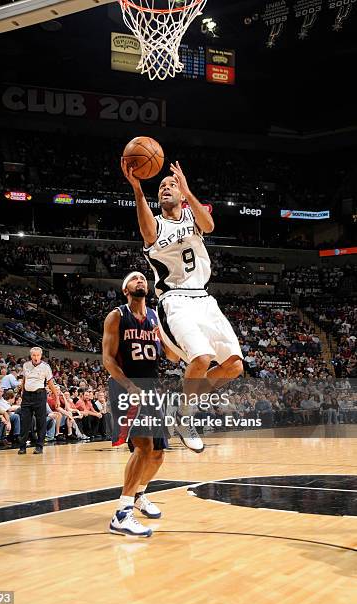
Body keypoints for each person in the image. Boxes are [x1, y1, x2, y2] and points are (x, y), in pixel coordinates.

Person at [121, 159, 243, 453]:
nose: (165, 188)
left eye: (170, 185)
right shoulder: (156, 224)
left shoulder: (192, 219)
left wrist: (187, 190)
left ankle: (181, 405)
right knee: (201, 359)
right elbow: (147, 231)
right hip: (174, 299)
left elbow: (210, 225)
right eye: (161, 186)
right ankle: (185, 417)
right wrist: (138, 189)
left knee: (234, 367)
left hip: (204, 298)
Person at [103, 271, 177, 537]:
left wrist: (166, 337)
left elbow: (172, 357)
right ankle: (121, 514)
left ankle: (138, 494)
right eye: (134, 279)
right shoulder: (117, 316)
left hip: (151, 389)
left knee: (157, 454)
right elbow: (108, 359)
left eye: (143, 278)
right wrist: (128, 386)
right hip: (126, 388)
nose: (140, 280)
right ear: (126, 290)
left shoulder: (155, 317)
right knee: (143, 446)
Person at [18, 347, 60, 455]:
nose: (36, 357)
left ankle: (39, 446)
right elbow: (24, 380)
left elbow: (50, 383)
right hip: (27, 396)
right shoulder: (26, 365)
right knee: (25, 422)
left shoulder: (46, 367)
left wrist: (57, 397)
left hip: (39, 395)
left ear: (41, 356)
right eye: (33, 355)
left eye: (38, 355)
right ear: (31, 356)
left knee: (41, 422)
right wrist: (22, 392)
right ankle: (22, 447)